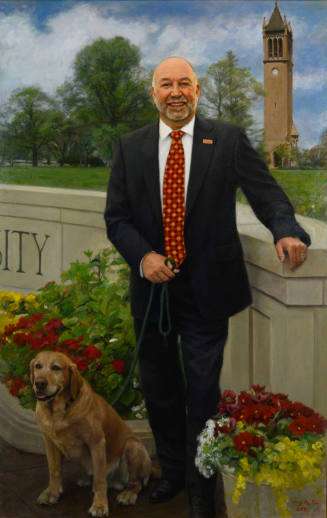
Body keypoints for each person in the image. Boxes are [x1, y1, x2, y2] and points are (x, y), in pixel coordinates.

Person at [104, 56, 311, 518]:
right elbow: (116, 219)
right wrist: (144, 256)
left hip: (208, 289)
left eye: (184, 84)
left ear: (197, 90)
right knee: (159, 387)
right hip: (153, 292)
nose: (175, 92)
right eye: (165, 84)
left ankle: (201, 485)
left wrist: (285, 229)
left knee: (202, 391)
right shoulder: (129, 147)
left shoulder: (228, 139)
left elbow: (267, 193)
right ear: (153, 92)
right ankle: (173, 471)